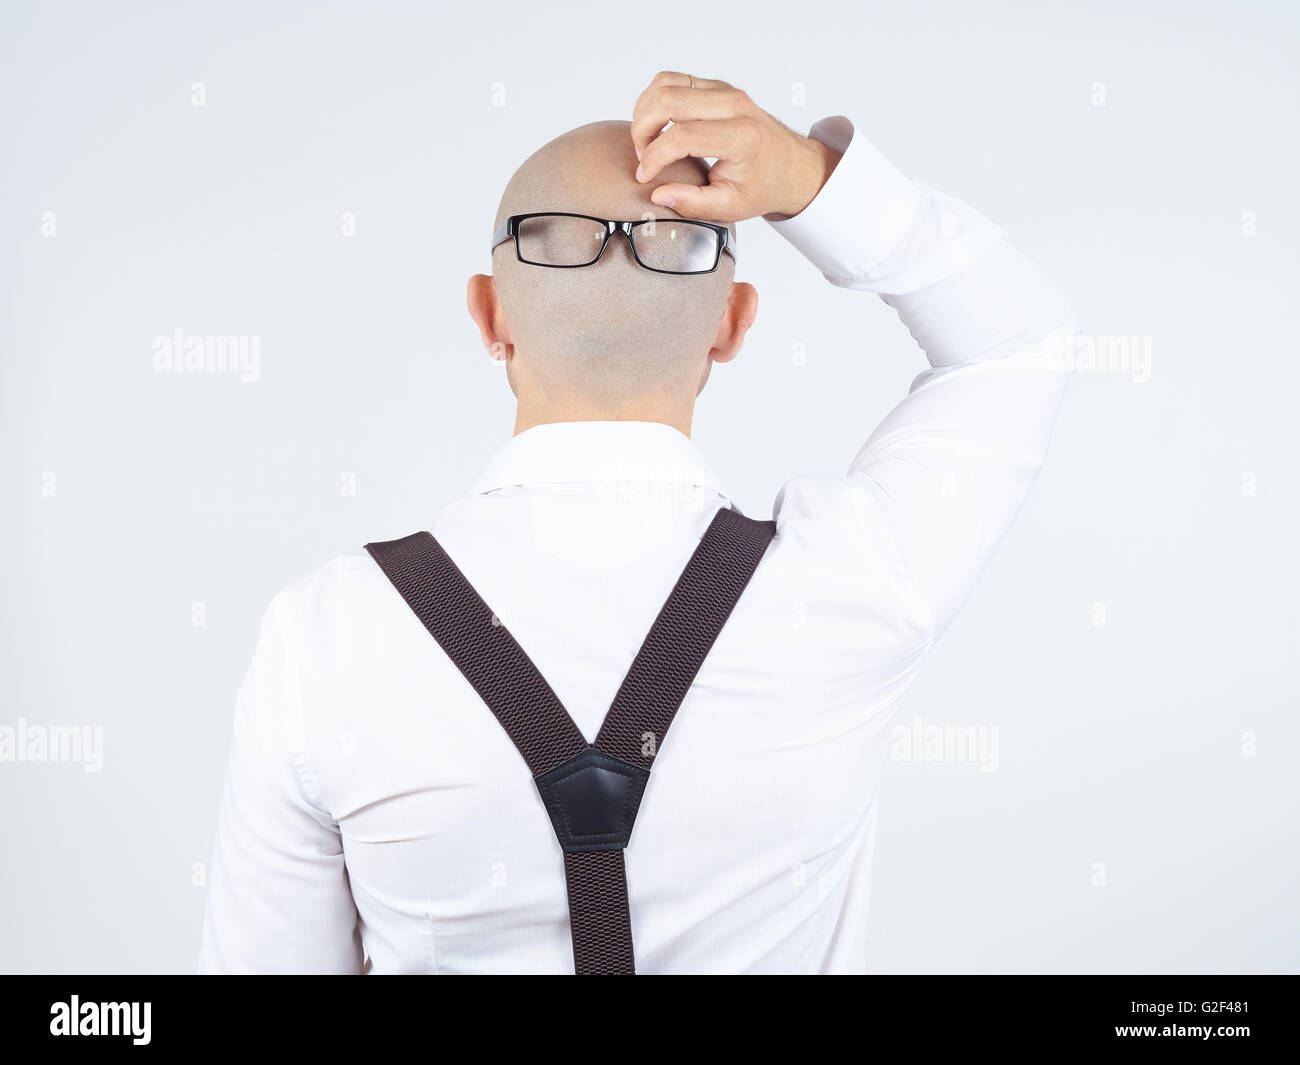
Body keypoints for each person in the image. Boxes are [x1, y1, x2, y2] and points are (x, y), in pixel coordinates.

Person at [198, 71, 1076, 974]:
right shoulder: (854, 582)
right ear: (733, 325)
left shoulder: (322, 637)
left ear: (488, 314)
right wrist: (810, 179)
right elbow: (1017, 340)